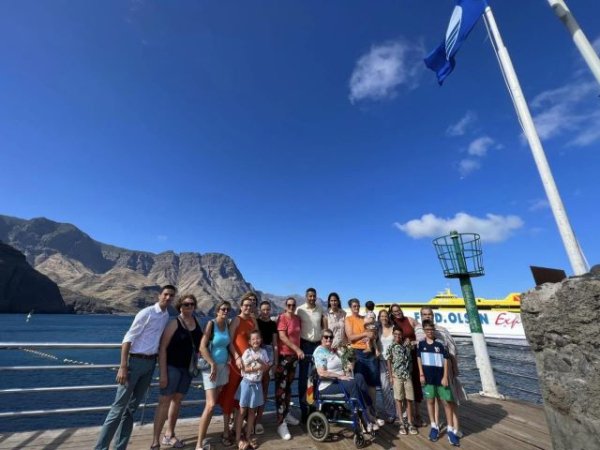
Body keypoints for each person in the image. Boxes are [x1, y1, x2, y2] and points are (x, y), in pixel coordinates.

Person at [95, 285, 176, 450]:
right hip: (134, 363)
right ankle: (100, 448)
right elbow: (127, 339)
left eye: (171, 296)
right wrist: (123, 366)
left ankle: (120, 446)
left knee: (131, 409)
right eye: (166, 294)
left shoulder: (166, 315)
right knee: (117, 409)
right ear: (159, 295)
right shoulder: (146, 313)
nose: (168, 298)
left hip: (150, 364)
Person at [151, 294, 202, 449]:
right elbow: (163, 347)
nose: (189, 307)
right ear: (180, 306)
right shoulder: (174, 323)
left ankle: (169, 434)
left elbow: (201, 345)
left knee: (177, 400)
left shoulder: (196, 322)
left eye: (192, 304)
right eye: (186, 304)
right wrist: (163, 373)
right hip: (172, 367)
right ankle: (155, 441)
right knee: (164, 401)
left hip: (187, 369)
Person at [313, 329, 381, 431]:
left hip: (341, 381)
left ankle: (369, 411)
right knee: (353, 384)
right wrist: (339, 376)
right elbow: (322, 373)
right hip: (328, 384)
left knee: (359, 377)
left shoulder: (332, 351)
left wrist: (348, 367)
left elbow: (344, 366)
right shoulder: (319, 352)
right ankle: (365, 419)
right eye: (326, 337)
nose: (329, 339)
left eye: (331, 337)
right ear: (321, 338)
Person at [416, 307, 466, 438]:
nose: (427, 316)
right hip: (428, 373)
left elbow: (452, 350)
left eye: (429, 314)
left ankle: (455, 427)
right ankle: (436, 425)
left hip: (444, 372)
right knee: (433, 400)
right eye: (424, 314)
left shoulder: (442, 331)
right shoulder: (418, 331)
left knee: (450, 400)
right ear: (421, 316)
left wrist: (455, 369)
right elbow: (418, 352)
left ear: (433, 315)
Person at [217, 293, 258, 447]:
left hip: (249, 368)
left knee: (241, 400)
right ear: (241, 307)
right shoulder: (236, 320)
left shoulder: (253, 321)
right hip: (236, 366)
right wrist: (236, 357)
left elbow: (256, 339)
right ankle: (226, 431)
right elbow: (230, 341)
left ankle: (237, 430)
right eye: (245, 305)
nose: (248, 307)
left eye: (250, 305)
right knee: (229, 397)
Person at [195, 300, 232, 450]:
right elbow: (202, 346)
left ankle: (213, 436)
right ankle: (198, 444)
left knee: (214, 403)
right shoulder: (211, 324)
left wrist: (229, 356)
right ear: (217, 311)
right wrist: (212, 364)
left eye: (228, 310)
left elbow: (227, 344)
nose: (225, 311)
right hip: (212, 369)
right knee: (210, 405)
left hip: (224, 368)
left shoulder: (228, 325)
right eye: (222, 309)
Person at [344, 298, 383, 427]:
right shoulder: (348, 320)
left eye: (358, 305)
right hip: (357, 353)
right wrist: (365, 334)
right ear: (350, 307)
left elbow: (373, 333)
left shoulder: (364, 318)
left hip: (370, 352)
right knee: (360, 381)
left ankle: (372, 409)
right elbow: (350, 337)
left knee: (372, 383)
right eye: (354, 305)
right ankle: (363, 410)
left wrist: (370, 334)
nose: (356, 307)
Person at [389, 303, 425, 426]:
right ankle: (406, 416)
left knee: (416, 385)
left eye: (398, 310)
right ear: (392, 313)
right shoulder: (392, 323)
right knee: (403, 388)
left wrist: (415, 341)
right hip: (401, 360)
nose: (397, 312)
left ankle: (417, 414)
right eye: (394, 311)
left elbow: (421, 331)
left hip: (414, 356)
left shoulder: (409, 319)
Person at [235, 330, 270, 450]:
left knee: (252, 412)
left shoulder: (264, 352)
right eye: (253, 339)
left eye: (258, 338)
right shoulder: (247, 352)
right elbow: (243, 370)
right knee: (242, 411)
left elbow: (266, 367)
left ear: (261, 340)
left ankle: (248, 435)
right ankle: (238, 437)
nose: (256, 341)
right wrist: (257, 367)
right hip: (246, 384)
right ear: (249, 342)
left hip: (257, 384)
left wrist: (259, 362)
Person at [296, 287, 327, 422]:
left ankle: (313, 407)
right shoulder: (300, 310)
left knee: (317, 377)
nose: (312, 298)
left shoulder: (320, 309)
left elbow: (323, 326)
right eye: (310, 296)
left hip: (317, 345)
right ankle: (304, 410)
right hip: (305, 345)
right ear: (306, 296)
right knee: (303, 378)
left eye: (314, 296)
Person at [275, 297, 303, 440]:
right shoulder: (282, 318)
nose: (291, 307)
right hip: (284, 357)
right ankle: (281, 424)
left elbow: (298, 336)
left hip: (294, 358)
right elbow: (283, 337)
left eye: (293, 305)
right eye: (289, 305)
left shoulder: (298, 319)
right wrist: (297, 349)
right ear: (285, 306)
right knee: (281, 389)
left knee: (288, 388)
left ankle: (287, 414)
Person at [385, 326, 418, 437]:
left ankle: (410, 422)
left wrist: (410, 341)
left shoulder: (407, 345)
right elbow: (389, 360)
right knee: (398, 399)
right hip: (397, 376)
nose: (398, 336)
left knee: (409, 399)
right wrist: (390, 376)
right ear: (393, 335)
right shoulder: (391, 347)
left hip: (407, 376)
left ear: (402, 335)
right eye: (396, 334)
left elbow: (416, 343)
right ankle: (401, 423)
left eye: (399, 334)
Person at [254, 300, 278, 435]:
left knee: (264, 388)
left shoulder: (273, 324)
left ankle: (258, 420)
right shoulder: (256, 322)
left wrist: (275, 362)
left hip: (268, 355)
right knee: (254, 386)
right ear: (260, 310)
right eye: (263, 309)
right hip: (256, 354)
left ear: (270, 310)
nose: (265, 312)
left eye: (267, 309)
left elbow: (275, 344)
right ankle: (250, 419)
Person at [377, 309, 396, 423]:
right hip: (382, 361)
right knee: (385, 388)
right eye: (381, 316)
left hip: (394, 361)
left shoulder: (393, 328)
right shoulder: (378, 330)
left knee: (397, 387)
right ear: (379, 318)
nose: (383, 318)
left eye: (385, 316)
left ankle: (402, 412)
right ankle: (391, 413)